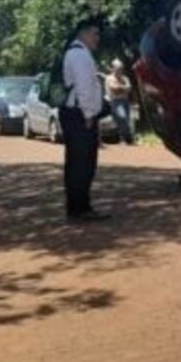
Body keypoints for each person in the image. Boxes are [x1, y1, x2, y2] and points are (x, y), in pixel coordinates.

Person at [59, 19, 110, 222]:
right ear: (83, 34)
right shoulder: (79, 55)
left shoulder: (77, 53)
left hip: (77, 114)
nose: (98, 38)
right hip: (79, 115)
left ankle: (79, 207)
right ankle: (79, 209)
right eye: (94, 34)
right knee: (82, 164)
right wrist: (88, 115)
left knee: (79, 163)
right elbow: (84, 88)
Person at [105, 59, 135, 145]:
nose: (120, 70)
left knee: (126, 120)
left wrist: (119, 88)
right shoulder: (109, 78)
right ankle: (124, 138)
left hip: (125, 101)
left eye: (121, 68)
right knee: (122, 117)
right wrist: (123, 88)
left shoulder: (125, 78)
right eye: (118, 68)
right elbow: (113, 88)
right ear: (113, 68)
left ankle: (127, 138)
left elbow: (129, 89)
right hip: (115, 102)